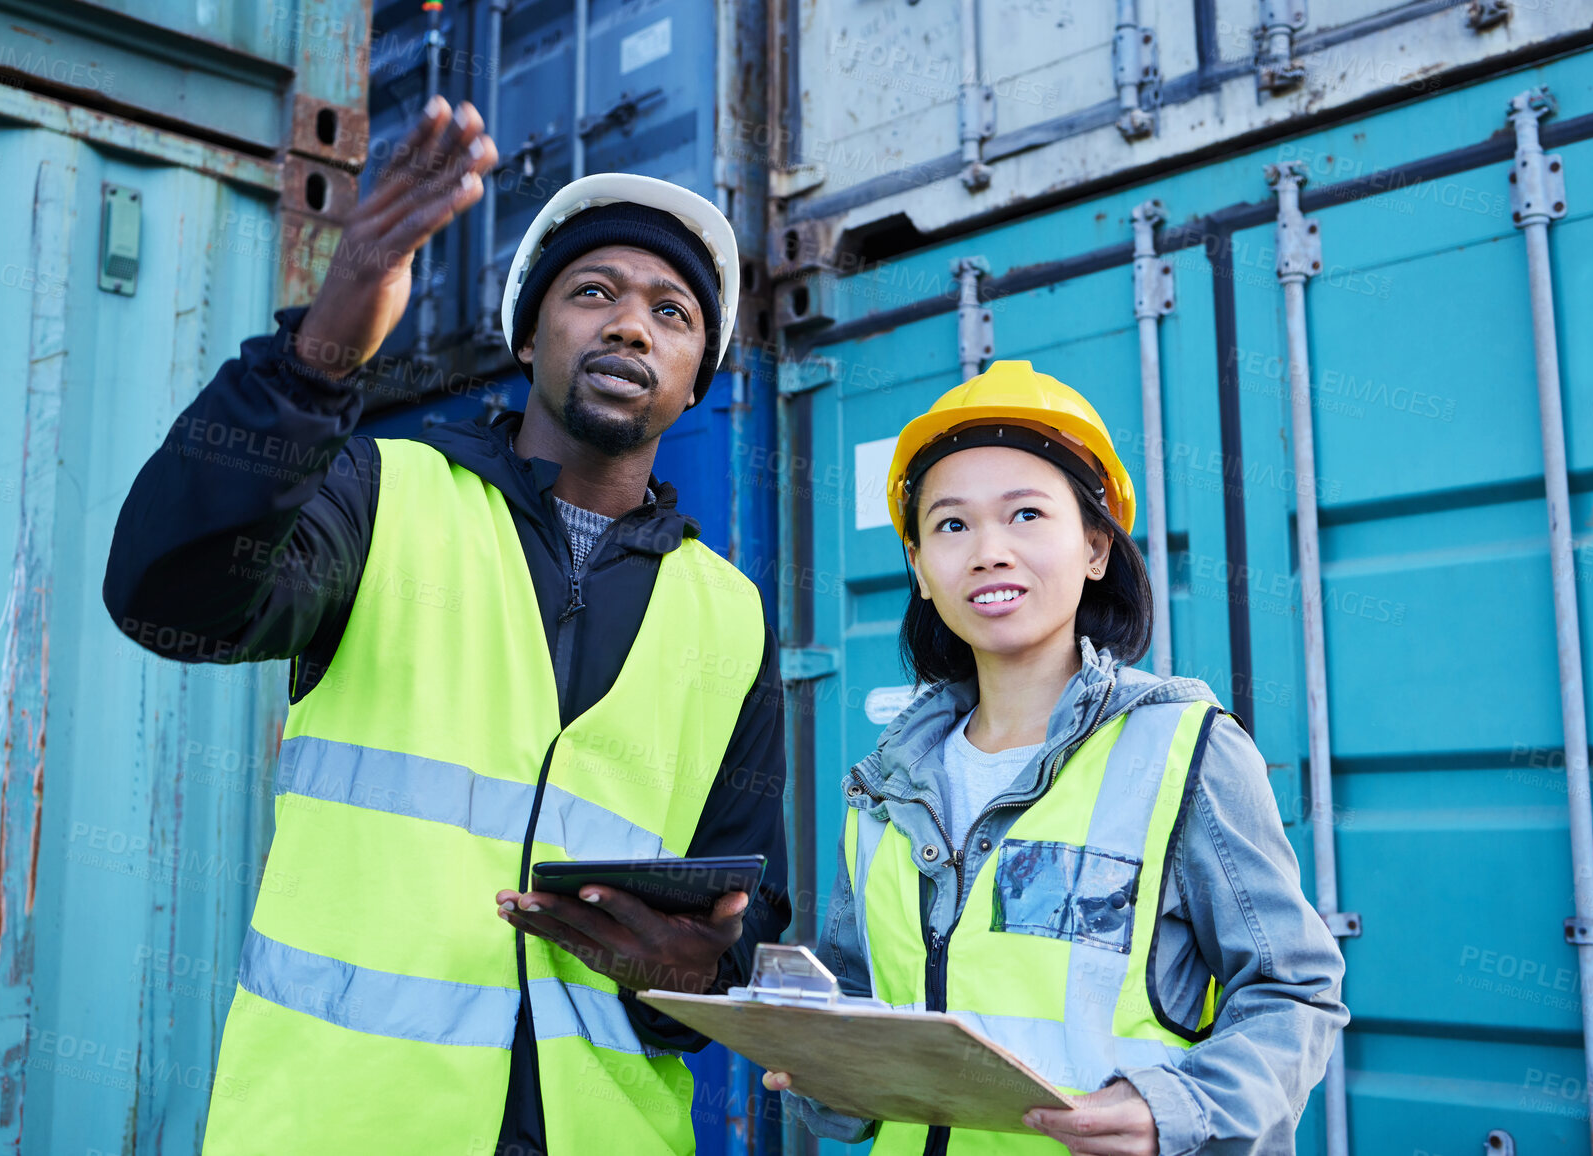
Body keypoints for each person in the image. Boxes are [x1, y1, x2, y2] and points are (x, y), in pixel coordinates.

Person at [103, 96, 790, 1156]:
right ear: (528, 334)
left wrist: (688, 974)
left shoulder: (731, 616)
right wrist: (321, 350)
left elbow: (746, 929)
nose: (629, 324)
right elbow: (171, 597)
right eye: (593, 291)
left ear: (698, 377)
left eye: (672, 313)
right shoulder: (385, 497)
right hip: (343, 1126)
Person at [763, 362, 1347, 1155]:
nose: (989, 551)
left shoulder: (1183, 748)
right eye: (951, 525)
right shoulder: (884, 788)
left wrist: (1176, 1111)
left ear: (1096, 547)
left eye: (1027, 514)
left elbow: (1293, 991)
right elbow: (861, 1008)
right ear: (920, 570)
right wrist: (822, 1072)